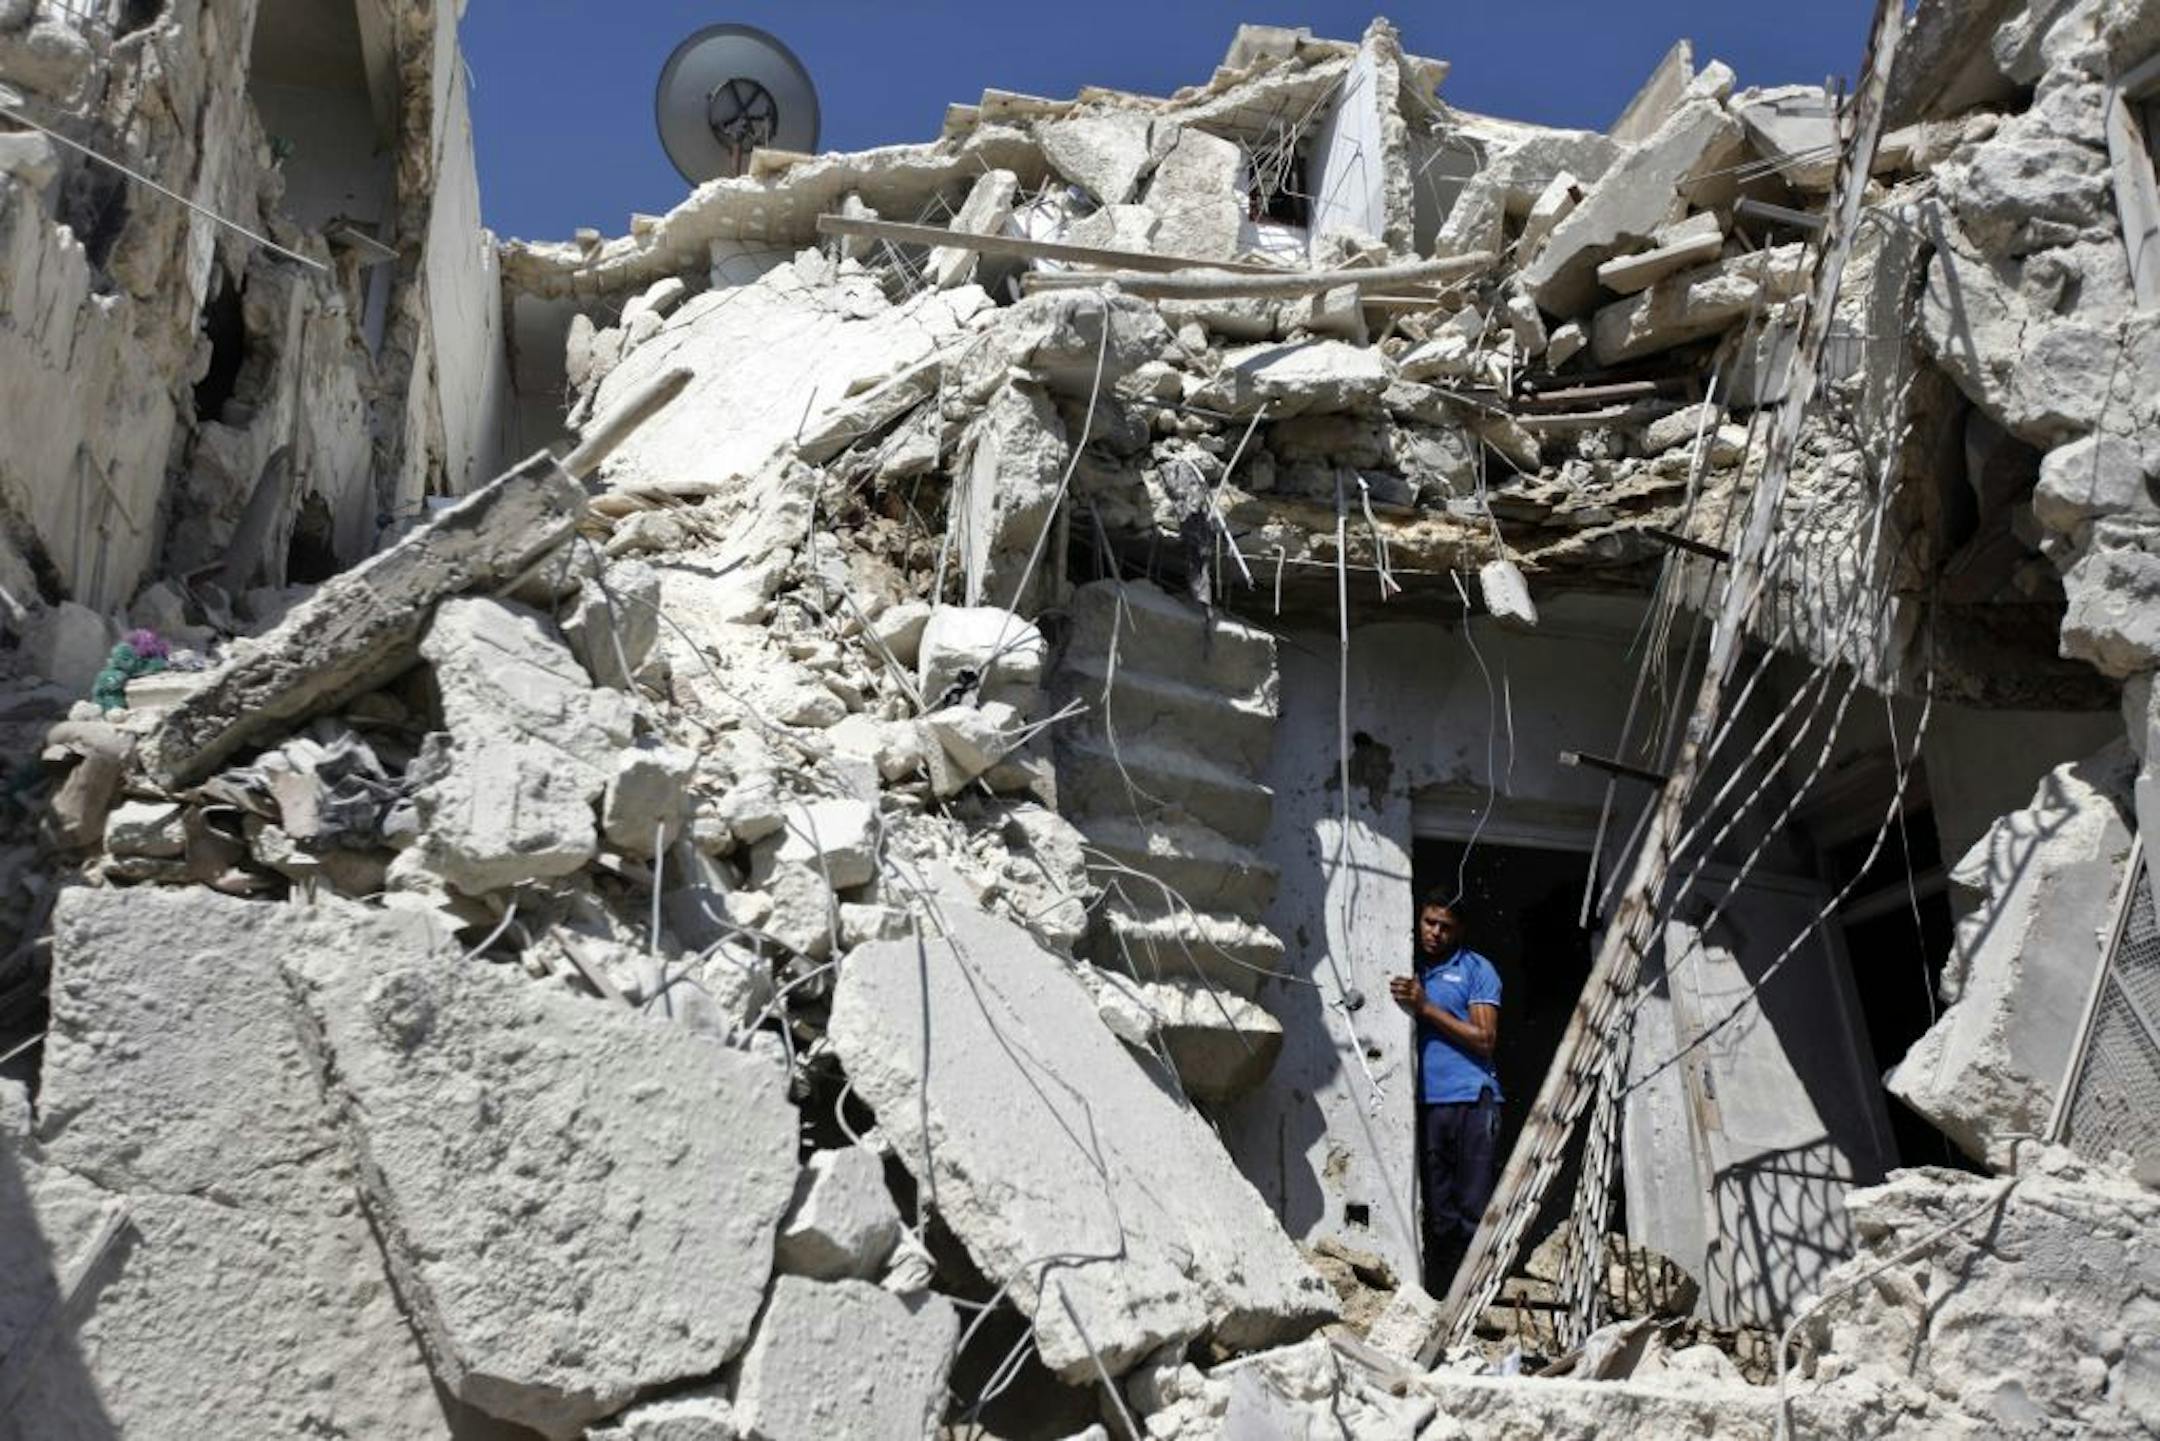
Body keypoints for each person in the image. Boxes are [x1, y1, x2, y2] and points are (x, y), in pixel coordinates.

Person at [1388, 893, 1502, 1295]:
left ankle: (1476, 1299)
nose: (1435, 933)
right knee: (1438, 1212)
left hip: (1473, 1098)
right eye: (1429, 922)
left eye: (1445, 926)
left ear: (1460, 930)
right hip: (1428, 1102)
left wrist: (1427, 1008)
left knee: (1475, 1208)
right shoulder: (1410, 967)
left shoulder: (1476, 968)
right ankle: (1441, 1299)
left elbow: (1486, 1039)